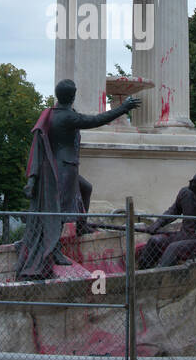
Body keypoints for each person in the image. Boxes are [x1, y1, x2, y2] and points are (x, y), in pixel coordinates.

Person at [16, 79, 140, 280]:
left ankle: (81, 225)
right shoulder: (67, 117)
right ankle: (54, 250)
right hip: (64, 168)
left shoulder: (51, 114)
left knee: (86, 188)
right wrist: (123, 108)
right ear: (73, 96)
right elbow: (96, 120)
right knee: (60, 211)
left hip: (57, 166)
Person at [136, 171, 196, 269]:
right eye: (192, 183)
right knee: (154, 241)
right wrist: (158, 223)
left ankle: (159, 275)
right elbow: (174, 210)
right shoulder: (185, 193)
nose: (191, 185)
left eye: (195, 186)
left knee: (173, 248)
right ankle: (142, 272)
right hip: (183, 235)